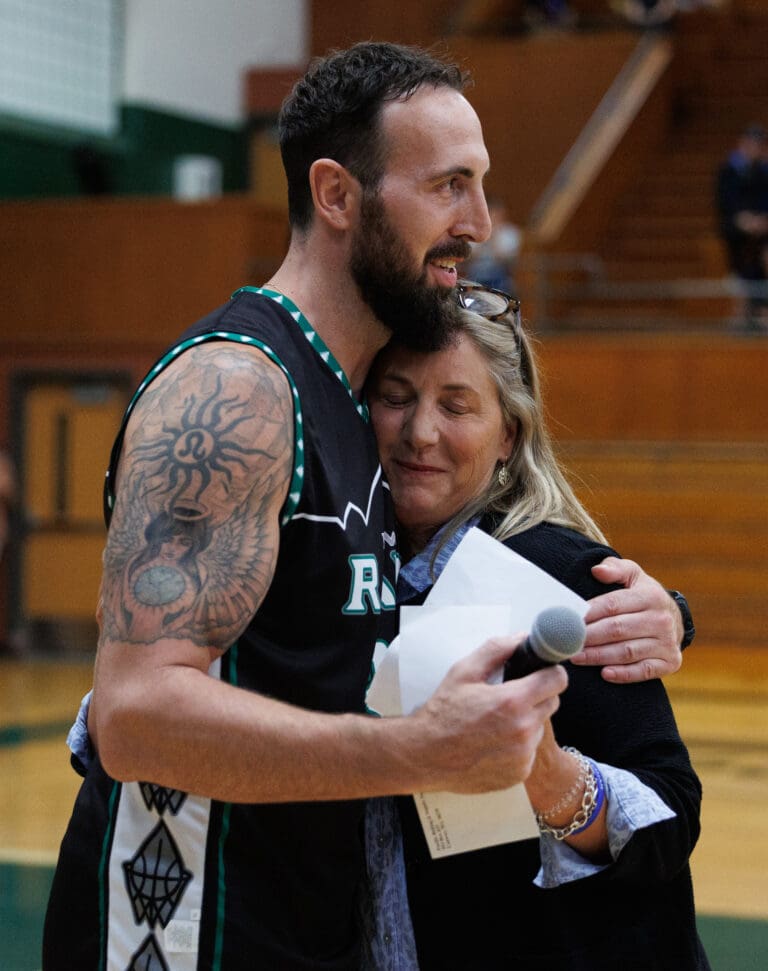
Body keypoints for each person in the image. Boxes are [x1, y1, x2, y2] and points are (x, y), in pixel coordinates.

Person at [45, 43, 690, 970]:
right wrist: (421, 753)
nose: (479, 221)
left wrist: (657, 614)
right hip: (184, 931)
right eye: (448, 186)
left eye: (482, 185)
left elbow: (352, 624)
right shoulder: (238, 388)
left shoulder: (351, 403)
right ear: (338, 196)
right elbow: (137, 714)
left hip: (300, 927)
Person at [362, 292, 709, 969]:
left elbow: (673, 816)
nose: (419, 432)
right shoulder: (343, 569)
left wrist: (552, 782)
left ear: (509, 436)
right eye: (395, 396)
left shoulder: (563, 573)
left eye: (456, 405)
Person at [715, 123, 768, 330]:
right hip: (736, 230)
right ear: (743, 144)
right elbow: (725, 204)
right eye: (753, 143)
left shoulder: (763, 172)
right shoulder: (728, 171)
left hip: (763, 229)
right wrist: (743, 220)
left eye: (760, 144)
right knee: (740, 259)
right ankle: (744, 308)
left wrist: (762, 220)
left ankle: (763, 307)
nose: (756, 148)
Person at [462, 194, 521, 295]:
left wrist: (494, 235)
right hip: (477, 275)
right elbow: (469, 256)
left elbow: (504, 258)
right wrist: (484, 236)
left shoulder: (511, 232)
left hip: (500, 276)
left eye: (497, 214)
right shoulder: (474, 231)